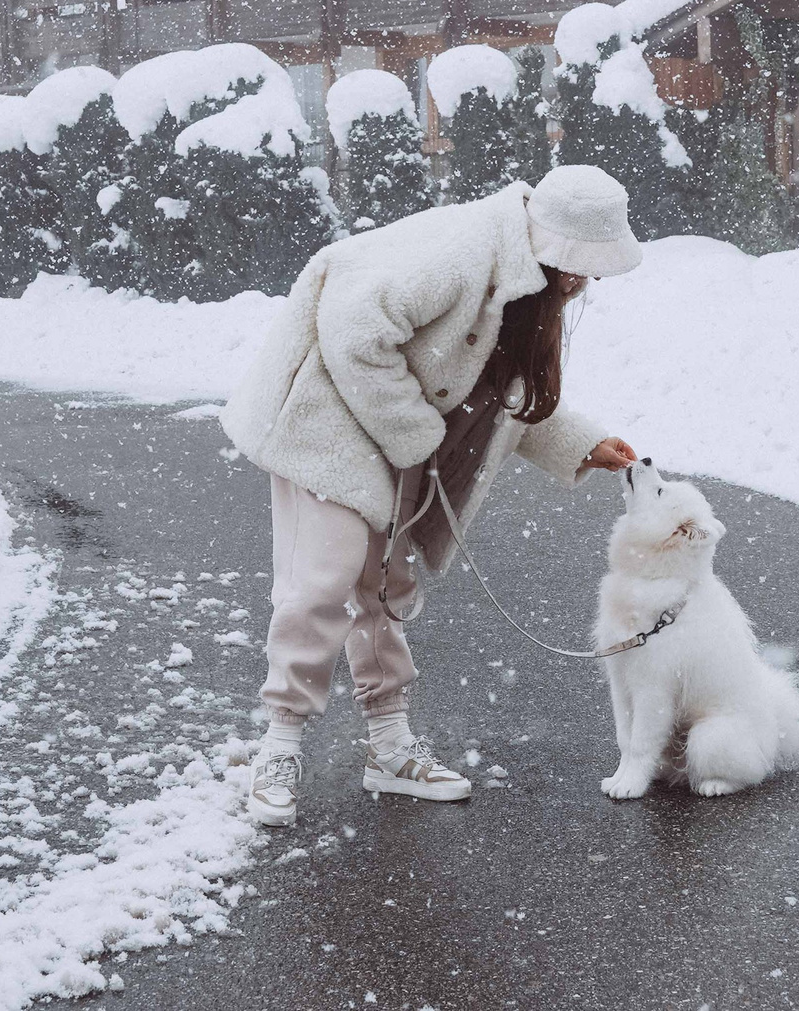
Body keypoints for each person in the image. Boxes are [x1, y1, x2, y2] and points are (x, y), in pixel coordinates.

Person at [218, 164, 643, 827]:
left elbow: (495, 395)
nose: (582, 280)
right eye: (577, 265)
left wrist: (578, 442)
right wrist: (415, 435)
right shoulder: (466, 248)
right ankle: (279, 742)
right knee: (321, 577)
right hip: (326, 407)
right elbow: (353, 329)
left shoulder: (531, 283)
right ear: (549, 241)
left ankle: (388, 746)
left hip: (394, 423)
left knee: (385, 581)